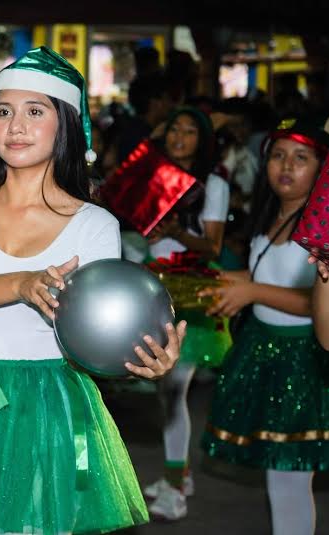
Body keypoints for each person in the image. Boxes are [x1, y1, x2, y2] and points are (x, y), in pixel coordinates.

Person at [0, 46, 185, 535]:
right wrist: (23, 284)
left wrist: (140, 358)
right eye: (3, 111)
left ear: (64, 123)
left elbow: (94, 338)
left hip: (50, 406)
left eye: (34, 111)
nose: (16, 126)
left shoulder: (94, 224)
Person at [199, 118, 329, 535]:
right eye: (277, 155)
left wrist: (252, 291)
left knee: (290, 477)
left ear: (322, 168)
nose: (286, 166)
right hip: (264, 350)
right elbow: (265, 274)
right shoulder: (272, 215)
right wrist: (224, 282)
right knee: (279, 475)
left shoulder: (321, 228)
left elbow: (314, 303)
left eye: (301, 158)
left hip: (303, 360)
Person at [141, 106, 231, 521]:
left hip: (191, 292)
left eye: (189, 131)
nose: (178, 137)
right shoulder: (156, 176)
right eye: (173, 129)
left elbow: (213, 246)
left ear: (203, 140)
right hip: (154, 286)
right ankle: (180, 475)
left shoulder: (214, 184)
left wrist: (176, 230)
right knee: (166, 391)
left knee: (176, 390)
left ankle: (175, 489)